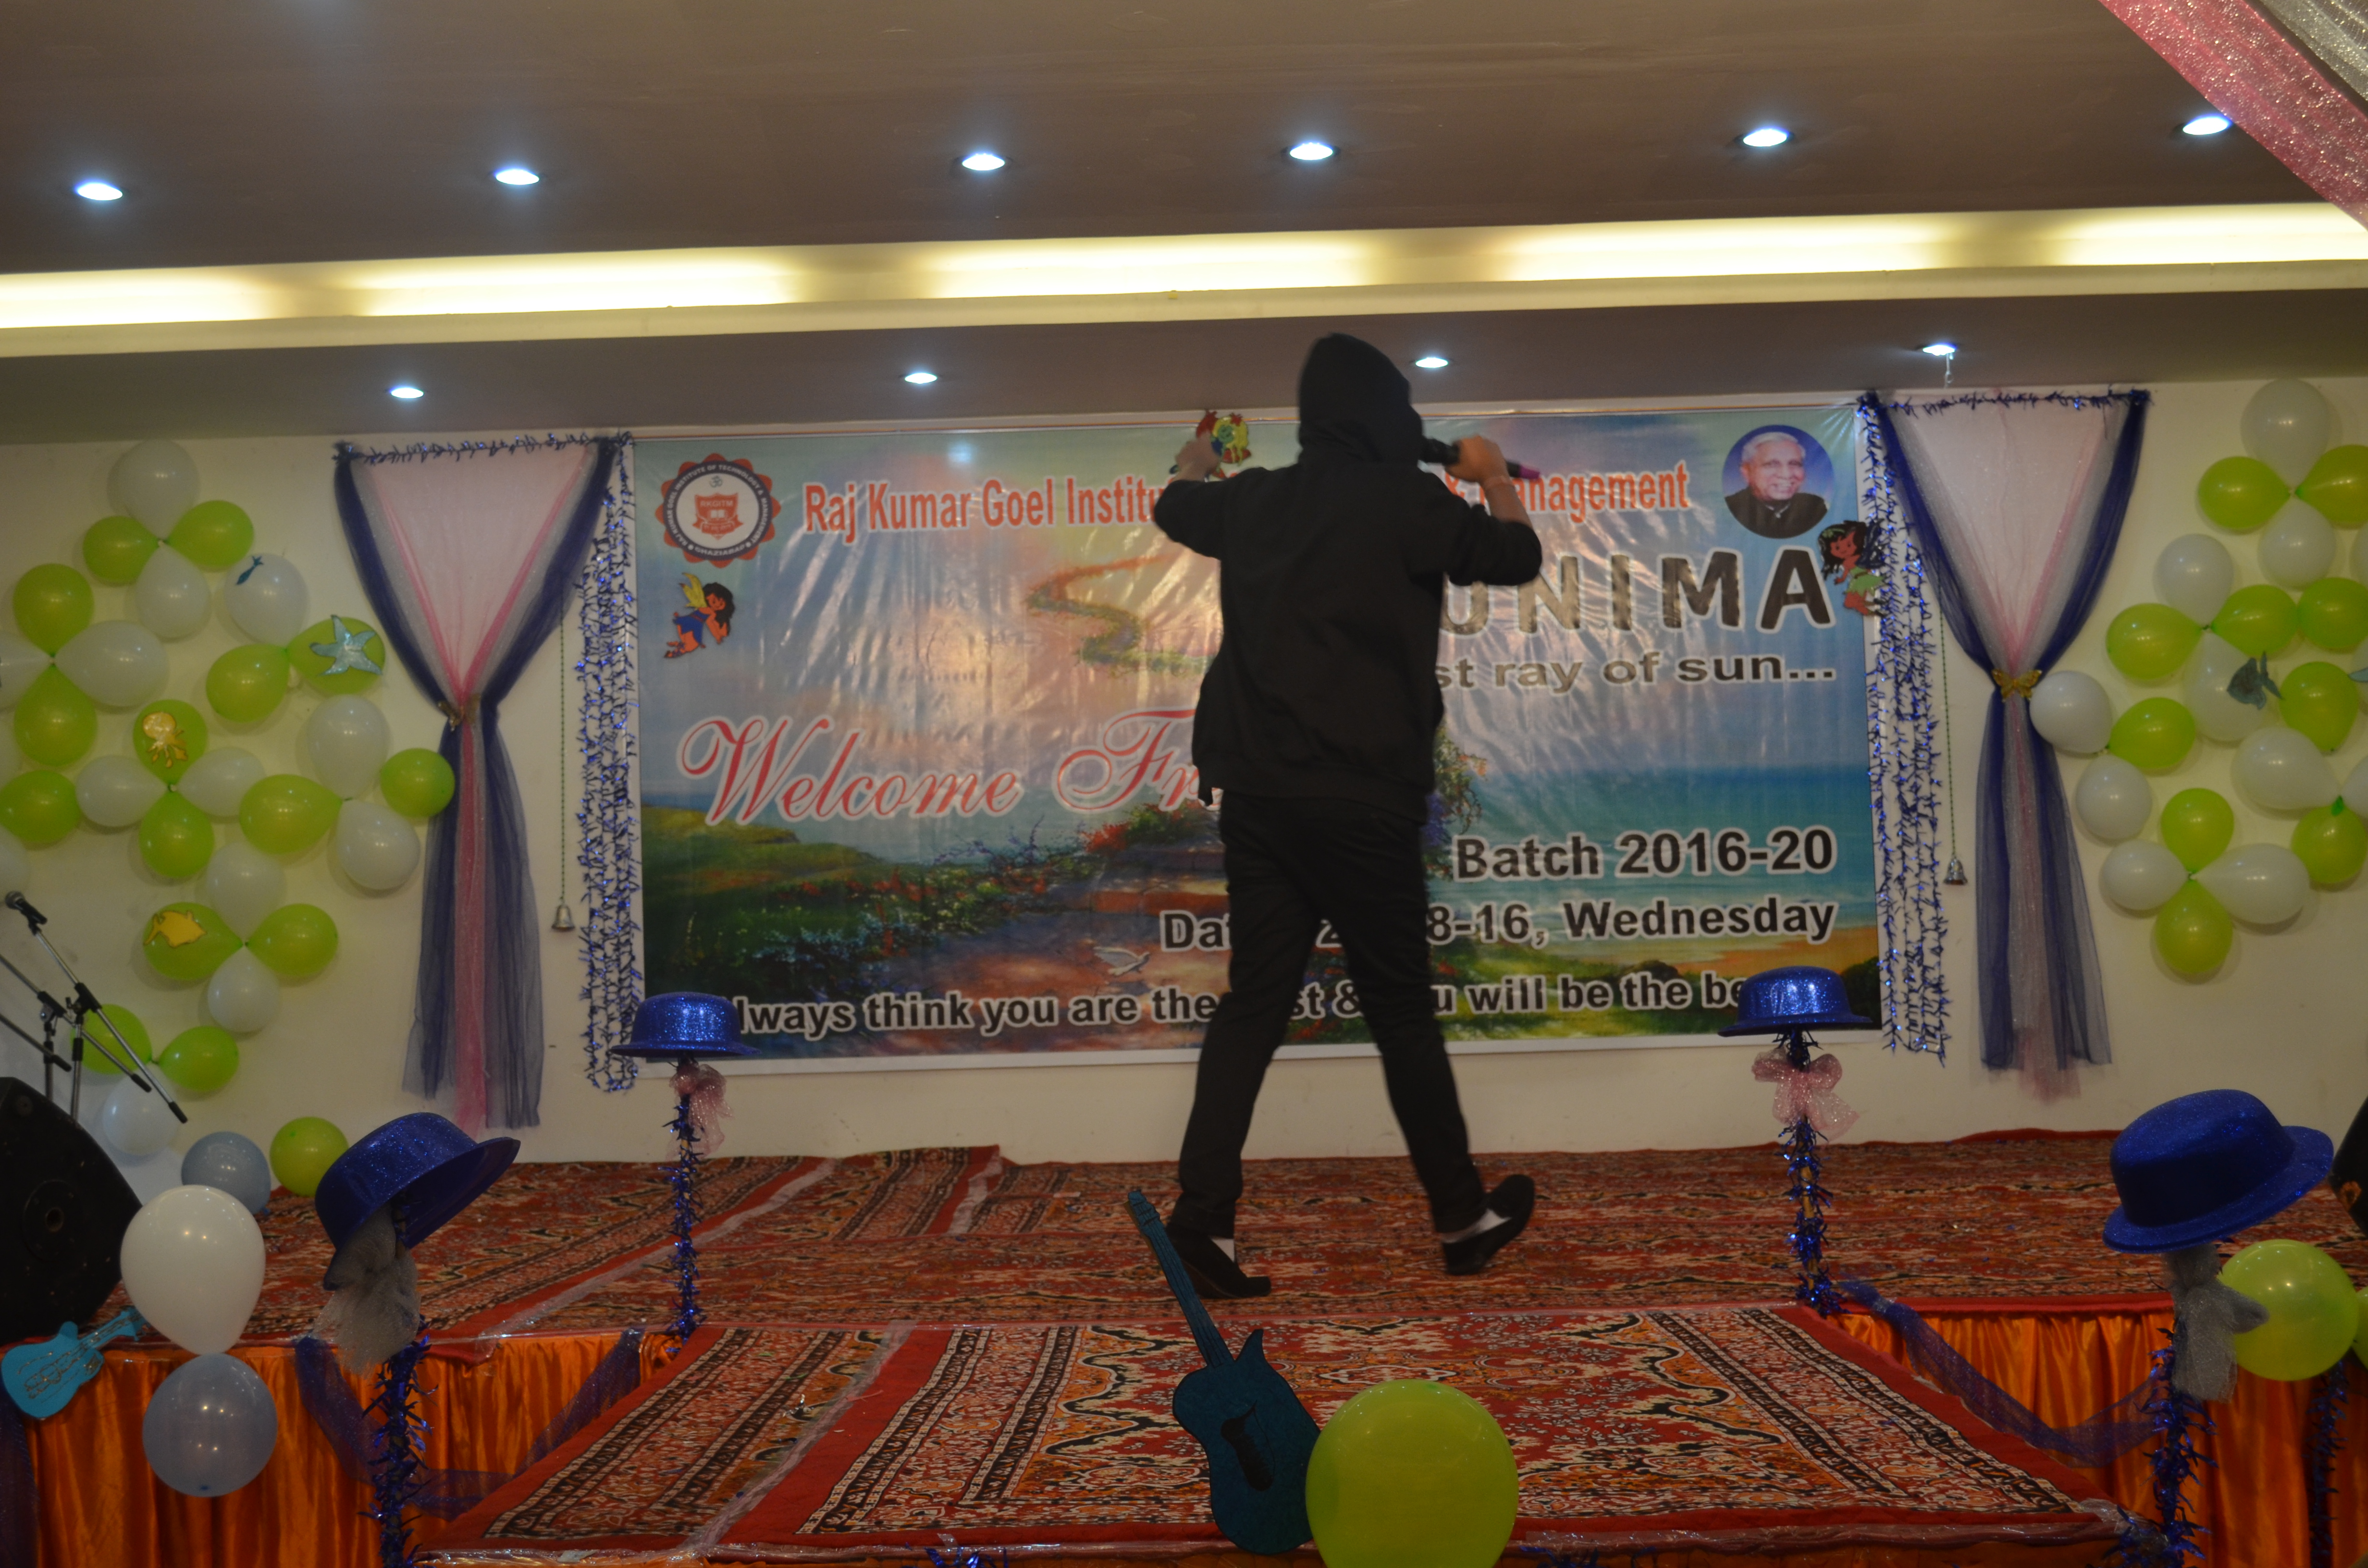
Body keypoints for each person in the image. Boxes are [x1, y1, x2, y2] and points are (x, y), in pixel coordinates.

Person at [1150, 332, 1542, 1299]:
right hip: (1364, 803)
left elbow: (1174, 504)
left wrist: (1194, 460)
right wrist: (1493, 476)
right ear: (1386, 416)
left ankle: (1202, 1219)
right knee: (1400, 1012)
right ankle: (1461, 1220)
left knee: (1253, 1005)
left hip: (1261, 802)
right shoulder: (1409, 500)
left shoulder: (1255, 500)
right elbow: (1516, 555)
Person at [1724, 429, 1827, 539]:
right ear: (1747, 472)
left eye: (1794, 464)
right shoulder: (1728, 509)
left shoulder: (1814, 507)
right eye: (1772, 465)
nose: (1786, 475)